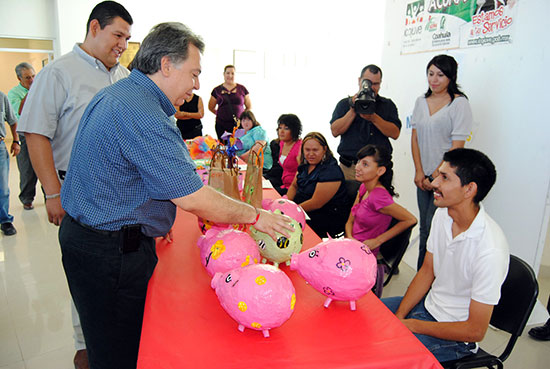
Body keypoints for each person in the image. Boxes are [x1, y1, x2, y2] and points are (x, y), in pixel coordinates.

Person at [58, 22, 291, 369]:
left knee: (110, 339)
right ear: (166, 65)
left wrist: (151, 214)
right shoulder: (144, 112)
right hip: (109, 252)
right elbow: (193, 197)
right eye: (194, 73)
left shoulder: (121, 94)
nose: (197, 85)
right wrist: (257, 216)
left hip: (95, 239)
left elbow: (126, 172)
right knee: (118, 351)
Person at [17, 2, 133, 368]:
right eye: (118, 35)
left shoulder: (125, 76)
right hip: (76, 187)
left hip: (121, 192)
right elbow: (36, 133)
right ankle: (85, 345)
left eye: (127, 38)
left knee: (117, 267)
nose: (122, 44)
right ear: (94, 27)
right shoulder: (59, 74)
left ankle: (114, 337)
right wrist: (52, 192)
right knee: (85, 268)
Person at [382, 148, 509, 363]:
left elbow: (475, 331)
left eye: (444, 177)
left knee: (382, 353)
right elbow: (427, 270)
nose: (433, 183)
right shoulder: (443, 215)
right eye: (438, 175)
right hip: (426, 308)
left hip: (457, 338)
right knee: (365, 317)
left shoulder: (490, 249)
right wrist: (400, 316)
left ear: (469, 189)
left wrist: (411, 325)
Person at [411, 54, 473, 270]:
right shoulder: (421, 101)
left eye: (440, 75)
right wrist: (419, 172)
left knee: (436, 230)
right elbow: (415, 138)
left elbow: (457, 146)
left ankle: (432, 282)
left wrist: (436, 175)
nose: (434, 79)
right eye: (430, 74)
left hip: (445, 179)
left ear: (451, 77)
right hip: (423, 178)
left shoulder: (459, 103)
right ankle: (421, 278)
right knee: (424, 231)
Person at [330, 64, 401, 183]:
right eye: (367, 82)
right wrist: (353, 109)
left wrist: (374, 118)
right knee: (348, 201)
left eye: (376, 84)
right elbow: (335, 131)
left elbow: (395, 133)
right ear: (359, 81)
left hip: (377, 171)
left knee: (378, 201)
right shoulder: (344, 104)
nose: (371, 87)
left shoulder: (387, 105)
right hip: (350, 168)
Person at [345, 144, 416, 256]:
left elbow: (410, 219)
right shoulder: (364, 187)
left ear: (380, 171)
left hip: (364, 254)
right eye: (359, 162)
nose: (357, 167)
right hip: (351, 246)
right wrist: (349, 238)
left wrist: (378, 241)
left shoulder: (378, 197)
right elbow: (350, 221)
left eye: (365, 164)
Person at [287, 132, 348, 238]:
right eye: (307, 150)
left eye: (315, 150)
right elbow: (294, 186)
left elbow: (316, 203)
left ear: (324, 149)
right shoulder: (305, 165)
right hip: (303, 206)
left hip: (324, 215)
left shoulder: (331, 171)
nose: (311, 154)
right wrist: (287, 203)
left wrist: (291, 211)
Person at [8, 62, 38, 210]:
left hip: (40, 133)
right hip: (24, 135)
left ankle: (49, 196)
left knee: (45, 165)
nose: (32, 80)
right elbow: (18, 112)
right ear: (19, 79)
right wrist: (31, 92)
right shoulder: (13, 93)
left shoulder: (41, 90)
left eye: (33, 76)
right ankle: (27, 199)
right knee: (27, 169)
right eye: (27, 78)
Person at [208, 65, 251, 140]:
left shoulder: (242, 89)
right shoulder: (216, 90)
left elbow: (249, 106)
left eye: (232, 73)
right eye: (228, 73)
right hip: (221, 125)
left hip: (239, 125)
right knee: (224, 147)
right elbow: (211, 107)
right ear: (224, 74)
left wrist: (242, 118)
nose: (230, 75)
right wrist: (220, 114)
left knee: (239, 147)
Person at [265, 114, 302, 196]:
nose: (281, 131)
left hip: (294, 189)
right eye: (280, 128)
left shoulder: (300, 147)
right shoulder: (282, 143)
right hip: (284, 184)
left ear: (294, 130)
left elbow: (302, 173)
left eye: (286, 128)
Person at [1, 91, 20, 236]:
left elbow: (13, 121)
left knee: (2, 188)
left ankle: (4, 220)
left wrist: (15, 141)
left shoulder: (2, 97)